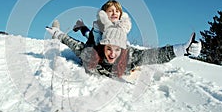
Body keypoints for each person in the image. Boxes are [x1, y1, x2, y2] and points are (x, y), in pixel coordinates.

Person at [46, 20, 201, 78]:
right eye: (109, 49)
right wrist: (58, 34)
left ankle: (82, 25)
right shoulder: (91, 54)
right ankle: (81, 26)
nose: (113, 53)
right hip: (95, 44)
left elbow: (155, 55)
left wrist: (183, 49)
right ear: (103, 47)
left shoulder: (130, 56)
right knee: (89, 36)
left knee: (90, 35)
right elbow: (73, 43)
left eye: (117, 50)